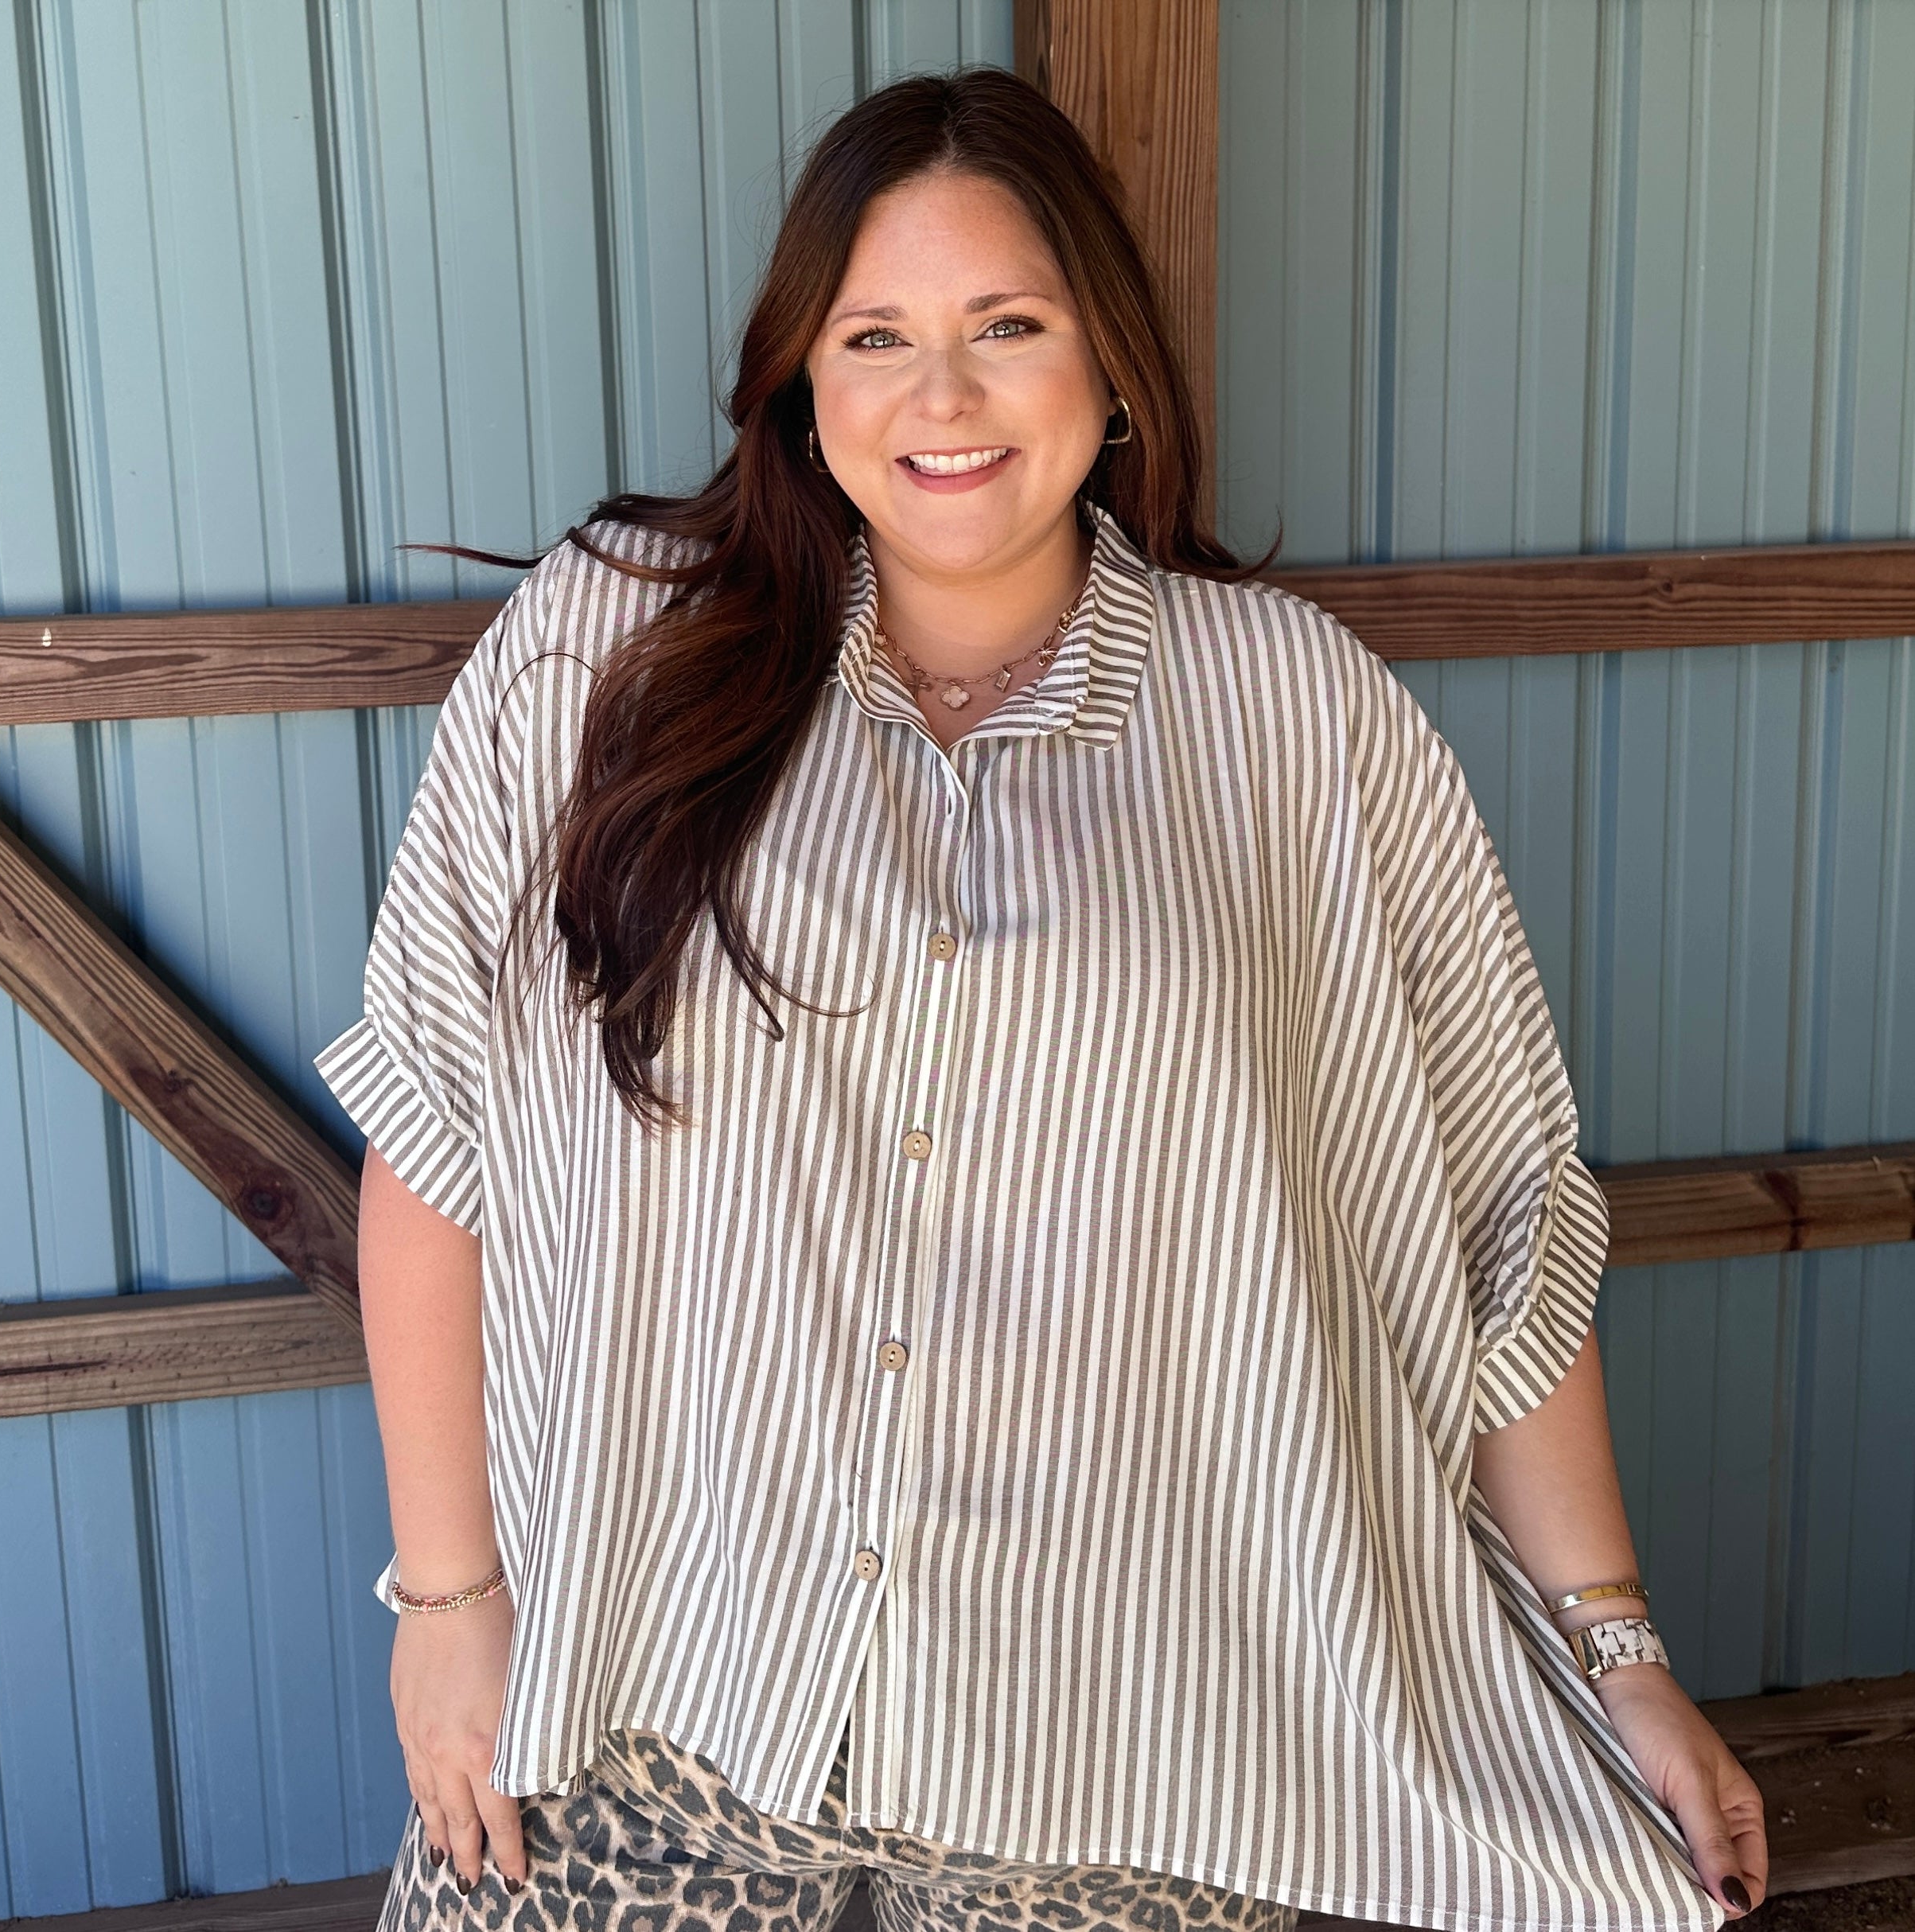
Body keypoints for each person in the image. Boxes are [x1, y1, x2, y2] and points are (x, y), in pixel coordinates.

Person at [316, 65, 1767, 1932]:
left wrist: (1617, 1645)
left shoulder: (1296, 718)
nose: (943, 397)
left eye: (1008, 326)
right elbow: (439, 1133)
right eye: (877, 336)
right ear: (801, 380)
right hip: (645, 1686)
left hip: (1117, 1726)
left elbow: (1494, 1212)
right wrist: (448, 1600)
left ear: (1115, 367)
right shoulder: (611, 650)